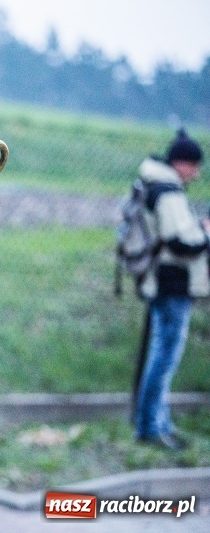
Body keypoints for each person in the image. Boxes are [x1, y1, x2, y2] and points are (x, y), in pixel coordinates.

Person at [132, 128, 208, 451]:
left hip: (162, 280)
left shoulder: (156, 185)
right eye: (195, 164)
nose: (198, 172)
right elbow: (181, 242)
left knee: (159, 356)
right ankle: (151, 426)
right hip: (173, 282)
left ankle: (156, 423)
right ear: (182, 163)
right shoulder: (168, 192)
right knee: (164, 359)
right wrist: (205, 235)